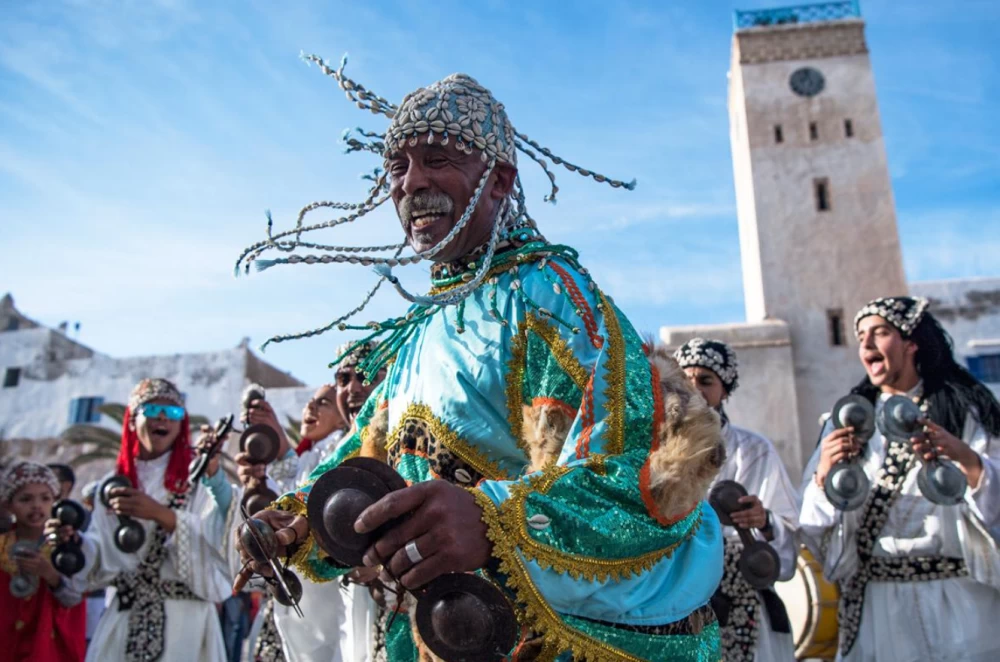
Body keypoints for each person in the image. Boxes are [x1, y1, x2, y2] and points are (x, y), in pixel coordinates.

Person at [234, 58, 726, 661]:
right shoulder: (421, 330)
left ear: (498, 180)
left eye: (438, 158)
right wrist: (298, 520)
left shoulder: (549, 295)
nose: (411, 182)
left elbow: (639, 472)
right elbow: (365, 455)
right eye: (398, 166)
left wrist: (491, 520)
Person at [800, 296, 1000, 661]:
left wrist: (967, 459)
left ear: (911, 343)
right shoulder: (846, 421)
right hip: (879, 607)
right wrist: (823, 475)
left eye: (880, 332)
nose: (866, 344)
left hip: (959, 605)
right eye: (861, 336)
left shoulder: (961, 411)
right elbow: (812, 529)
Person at [48, 378, 241, 662]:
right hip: (124, 618)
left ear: (181, 424)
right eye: (151, 410)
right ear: (131, 420)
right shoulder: (111, 487)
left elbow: (221, 538)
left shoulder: (197, 481)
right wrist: (76, 544)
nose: (162, 417)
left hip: (185, 623)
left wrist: (164, 516)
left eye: (173, 412)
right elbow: (103, 559)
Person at [239, 342, 381, 662]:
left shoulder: (416, 439)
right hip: (349, 611)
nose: (354, 388)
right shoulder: (337, 460)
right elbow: (306, 500)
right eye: (343, 380)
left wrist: (384, 561)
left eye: (367, 375)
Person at [673, 338, 800, 662]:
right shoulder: (654, 452)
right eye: (685, 380)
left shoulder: (753, 449)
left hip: (745, 603)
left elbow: (788, 529)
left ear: (725, 390)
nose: (694, 388)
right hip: (674, 602)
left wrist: (764, 520)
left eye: (705, 380)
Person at [1, 460, 86, 662]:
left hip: (48, 648)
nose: (36, 506)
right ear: (8, 505)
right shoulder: (2, 545)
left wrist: (50, 574)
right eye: (26, 499)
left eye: (45, 498)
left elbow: (74, 599)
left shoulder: (67, 546)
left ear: (55, 502)